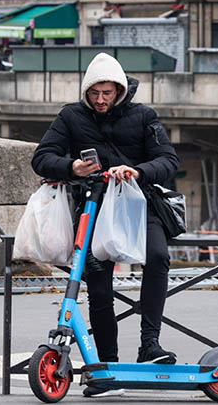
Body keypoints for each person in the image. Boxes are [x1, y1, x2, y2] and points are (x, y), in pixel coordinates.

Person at [31, 52, 179, 398]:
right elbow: (41, 158)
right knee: (99, 286)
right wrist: (72, 168)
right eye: (94, 93)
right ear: (86, 91)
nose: (100, 100)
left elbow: (169, 160)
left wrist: (137, 171)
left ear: (120, 90)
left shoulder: (144, 116)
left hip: (139, 202)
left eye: (107, 93)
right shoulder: (70, 116)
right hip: (93, 207)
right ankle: (106, 365)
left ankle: (150, 345)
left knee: (158, 258)